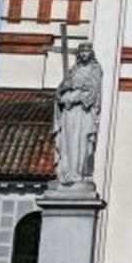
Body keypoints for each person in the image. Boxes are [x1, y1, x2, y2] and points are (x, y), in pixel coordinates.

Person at [54, 43, 104, 188]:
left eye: (87, 51)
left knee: (80, 141)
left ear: (91, 53)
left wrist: (74, 98)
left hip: (83, 113)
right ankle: (67, 171)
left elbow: (93, 93)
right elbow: (60, 91)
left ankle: (78, 173)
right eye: (81, 51)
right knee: (68, 141)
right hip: (68, 112)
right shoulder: (73, 70)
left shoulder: (95, 69)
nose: (83, 54)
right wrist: (63, 93)